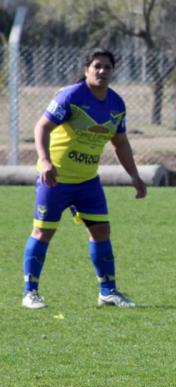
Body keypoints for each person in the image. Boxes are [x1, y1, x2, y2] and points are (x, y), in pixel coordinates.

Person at [21, 48, 146, 309]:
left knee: (101, 231)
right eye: (97, 66)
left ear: (113, 71)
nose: (102, 71)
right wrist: (44, 161)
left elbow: (120, 143)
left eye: (107, 67)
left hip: (88, 181)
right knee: (43, 232)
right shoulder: (71, 96)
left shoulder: (116, 104)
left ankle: (108, 291)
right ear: (86, 69)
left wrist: (135, 176)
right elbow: (41, 126)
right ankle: (30, 293)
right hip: (55, 179)